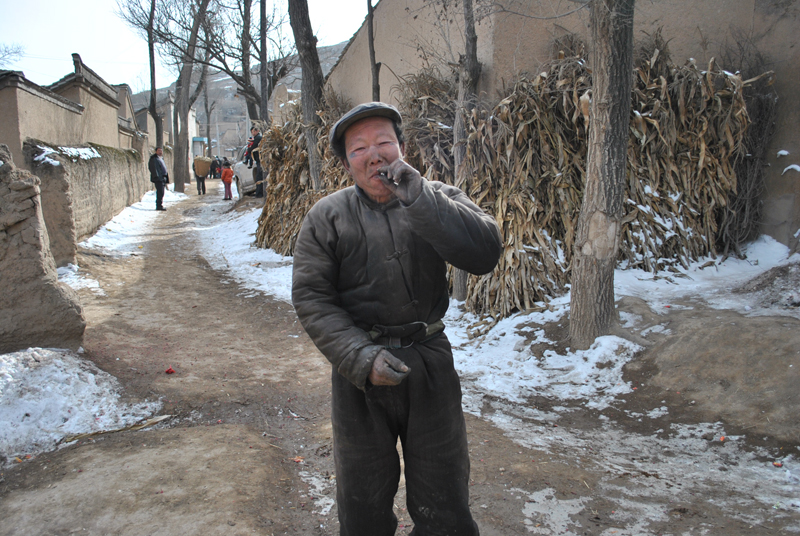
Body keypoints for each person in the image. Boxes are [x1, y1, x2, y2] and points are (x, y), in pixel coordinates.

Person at [292, 102, 502, 536]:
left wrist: (422, 198)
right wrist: (360, 358)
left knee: (443, 497)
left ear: (402, 148)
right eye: (359, 148)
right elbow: (312, 298)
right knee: (362, 500)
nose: (375, 154)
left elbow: (484, 253)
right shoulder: (326, 218)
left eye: (384, 142)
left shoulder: (436, 196)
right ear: (347, 164)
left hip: (430, 364)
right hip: (359, 377)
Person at [148, 147, 169, 211]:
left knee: (162, 192)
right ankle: (158, 205)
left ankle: (160, 204)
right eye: (159, 150)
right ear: (156, 151)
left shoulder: (161, 158)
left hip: (162, 178)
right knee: (160, 192)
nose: (160, 152)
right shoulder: (154, 159)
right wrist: (157, 177)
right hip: (158, 178)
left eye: (161, 151)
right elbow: (153, 168)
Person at [245, 125, 264, 198]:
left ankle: (259, 194)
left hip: (260, 160)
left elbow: (252, 148)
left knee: (259, 177)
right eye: (252, 132)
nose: (253, 133)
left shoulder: (258, 138)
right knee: (258, 177)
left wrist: (249, 149)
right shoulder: (255, 138)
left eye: (254, 131)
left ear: (257, 131)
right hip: (258, 160)